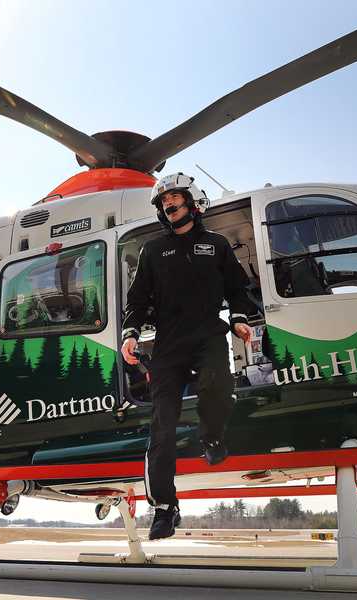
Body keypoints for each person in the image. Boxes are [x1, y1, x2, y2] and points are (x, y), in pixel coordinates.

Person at [120, 172, 255, 540]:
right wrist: (130, 334)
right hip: (168, 345)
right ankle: (164, 508)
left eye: (174, 197)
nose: (168, 204)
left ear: (192, 202)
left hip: (208, 334)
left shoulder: (216, 244)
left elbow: (238, 289)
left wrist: (241, 320)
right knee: (162, 425)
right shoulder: (152, 250)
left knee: (217, 387)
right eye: (163, 201)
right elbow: (137, 301)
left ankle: (212, 436)